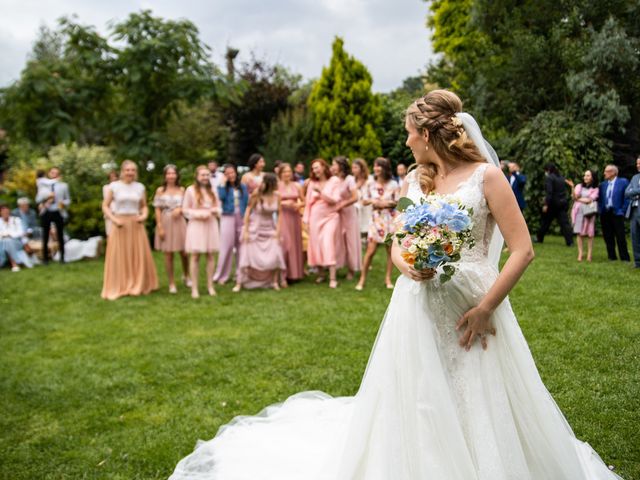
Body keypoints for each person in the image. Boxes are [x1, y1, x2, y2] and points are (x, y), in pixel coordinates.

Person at [170, 89, 624, 480]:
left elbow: (523, 249)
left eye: (409, 131)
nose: (405, 140)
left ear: (427, 135)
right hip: (417, 303)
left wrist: (486, 308)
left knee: (480, 396)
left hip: (473, 302)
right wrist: (408, 266)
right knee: (417, 394)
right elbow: (395, 244)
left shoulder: (487, 177)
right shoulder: (414, 179)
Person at [101, 160, 158, 300]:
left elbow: (144, 206)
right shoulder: (114, 186)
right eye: (128, 170)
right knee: (119, 255)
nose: (130, 172)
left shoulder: (140, 187)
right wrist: (114, 220)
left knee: (137, 254)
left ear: (136, 172)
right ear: (122, 171)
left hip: (136, 224)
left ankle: (138, 282)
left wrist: (144, 215)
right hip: (119, 223)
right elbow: (105, 206)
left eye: (133, 170)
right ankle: (120, 284)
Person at [233, 173, 286, 292]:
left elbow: (279, 213)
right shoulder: (257, 194)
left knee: (276, 252)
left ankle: (274, 281)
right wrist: (246, 230)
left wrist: (278, 230)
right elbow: (248, 210)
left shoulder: (277, 195)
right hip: (255, 226)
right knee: (247, 253)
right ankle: (239, 282)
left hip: (269, 226)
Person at [355, 157, 399, 290]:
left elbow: (397, 201)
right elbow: (363, 201)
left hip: (390, 219)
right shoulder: (370, 184)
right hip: (376, 220)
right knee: (370, 250)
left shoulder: (393, 184)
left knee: (389, 250)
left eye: (378, 166)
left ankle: (388, 278)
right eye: (374, 166)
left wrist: (385, 203)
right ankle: (362, 279)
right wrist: (374, 202)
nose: (375, 168)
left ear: (384, 168)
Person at [303, 158, 342, 288]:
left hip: (330, 217)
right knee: (316, 245)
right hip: (315, 217)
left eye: (317, 167)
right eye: (313, 168)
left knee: (328, 242)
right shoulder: (312, 183)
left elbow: (334, 200)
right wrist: (306, 220)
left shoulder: (334, 181)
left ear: (324, 167)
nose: (315, 170)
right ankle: (320, 274)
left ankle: (333, 277)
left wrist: (321, 192)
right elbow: (308, 203)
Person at [183, 165, 221, 298]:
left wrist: (213, 211)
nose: (205, 177)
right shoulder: (190, 190)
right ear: (197, 177)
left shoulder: (213, 190)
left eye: (207, 175)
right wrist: (198, 214)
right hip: (196, 225)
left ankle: (210, 286)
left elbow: (219, 208)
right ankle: (194, 288)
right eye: (202, 175)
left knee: (210, 256)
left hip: (210, 224)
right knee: (195, 256)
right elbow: (185, 210)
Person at [153, 164, 189, 294]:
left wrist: (180, 209)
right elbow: (157, 208)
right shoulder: (160, 190)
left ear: (177, 175)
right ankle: (172, 282)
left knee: (184, 252)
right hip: (166, 221)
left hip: (180, 222)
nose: (171, 176)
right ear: (165, 176)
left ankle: (186, 275)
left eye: (173, 173)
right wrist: (159, 226)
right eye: (168, 173)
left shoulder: (182, 189)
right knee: (168, 253)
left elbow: (187, 206)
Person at [214, 164, 249, 285]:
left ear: (236, 173)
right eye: (227, 173)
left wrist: (246, 217)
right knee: (226, 246)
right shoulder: (222, 187)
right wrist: (223, 183)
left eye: (232, 172)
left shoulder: (243, 187)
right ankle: (221, 275)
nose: (230, 175)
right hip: (227, 216)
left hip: (241, 216)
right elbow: (221, 198)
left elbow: (247, 202)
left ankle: (240, 274)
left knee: (241, 245)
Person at [332, 156, 361, 279]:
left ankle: (351, 269)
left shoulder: (349, 179)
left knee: (350, 240)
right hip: (336, 214)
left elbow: (355, 197)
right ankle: (338, 265)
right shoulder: (333, 179)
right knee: (338, 240)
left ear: (340, 166)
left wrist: (343, 204)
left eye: (334, 164)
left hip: (348, 213)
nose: (332, 167)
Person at [36, 166, 71, 264]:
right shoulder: (43, 185)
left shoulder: (64, 185)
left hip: (58, 211)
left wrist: (63, 203)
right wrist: (45, 200)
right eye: (52, 173)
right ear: (49, 174)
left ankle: (62, 258)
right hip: (46, 211)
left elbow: (68, 200)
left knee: (60, 234)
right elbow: (37, 199)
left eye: (56, 173)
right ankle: (45, 259)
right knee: (45, 235)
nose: (54, 175)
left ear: (59, 175)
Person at [277, 163, 304, 286]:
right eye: (284, 172)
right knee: (285, 245)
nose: (287, 174)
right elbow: (272, 202)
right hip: (283, 217)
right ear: (280, 174)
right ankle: (282, 276)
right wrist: (283, 204)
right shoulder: (276, 186)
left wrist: (298, 205)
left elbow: (305, 201)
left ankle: (294, 274)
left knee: (295, 244)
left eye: (289, 171)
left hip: (295, 217)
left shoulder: (297, 185)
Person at [598, 164, 630, 262]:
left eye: (606, 171)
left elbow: (627, 197)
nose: (604, 173)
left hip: (617, 212)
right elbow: (599, 199)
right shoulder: (603, 185)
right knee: (608, 236)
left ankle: (624, 258)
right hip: (605, 213)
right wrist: (600, 210)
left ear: (613, 172)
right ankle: (612, 256)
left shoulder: (623, 182)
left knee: (620, 236)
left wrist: (622, 210)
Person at [536, 163, 573, 246]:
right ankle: (570, 241)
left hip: (553, 204)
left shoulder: (549, 178)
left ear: (548, 170)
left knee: (545, 222)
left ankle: (539, 238)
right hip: (562, 203)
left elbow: (549, 192)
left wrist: (546, 204)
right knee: (565, 223)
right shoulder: (561, 178)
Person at [571, 169, 599, 262]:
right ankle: (580, 253)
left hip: (589, 212)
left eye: (588, 175)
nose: (585, 177)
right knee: (579, 233)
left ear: (592, 177)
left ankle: (589, 255)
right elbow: (574, 197)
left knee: (589, 233)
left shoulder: (595, 188)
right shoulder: (579, 186)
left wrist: (578, 199)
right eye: (585, 175)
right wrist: (572, 187)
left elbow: (590, 200)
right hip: (579, 212)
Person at [0, 204, 32, 271]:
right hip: (2, 243)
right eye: (3, 212)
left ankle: (14, 263)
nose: (5, 213)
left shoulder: (16, 220)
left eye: (6, 212)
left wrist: (9, 235)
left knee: (8, 241)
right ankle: (15, 263)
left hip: (17, 243)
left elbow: (21, 233)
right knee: (7, 241)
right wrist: (5, 235)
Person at [351, 158, 372, 241]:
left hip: (367, 204)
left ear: (362, 168)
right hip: (356, 204)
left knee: (367, 219)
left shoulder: (369, 179)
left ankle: (367, 236)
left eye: (355, 167)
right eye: (352, 168)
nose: (353, 170)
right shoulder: (352, 180)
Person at [625, 156, 640, 268]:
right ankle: (637, 262)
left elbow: (631, 192)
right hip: (634, 211)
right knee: (634, 236)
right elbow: (626, 193)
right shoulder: (635, 177)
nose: (637, 165)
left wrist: (633, 192)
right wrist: (637, 192)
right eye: (637, 163)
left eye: (639, 163)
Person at [102, 170, 118, 235]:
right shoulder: (106, 187)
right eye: (112, 177)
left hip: (119, 213)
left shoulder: (121, 187)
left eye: (115, 176)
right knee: (110, 233)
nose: (114, 178)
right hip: (110, 213)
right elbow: (106, 200)